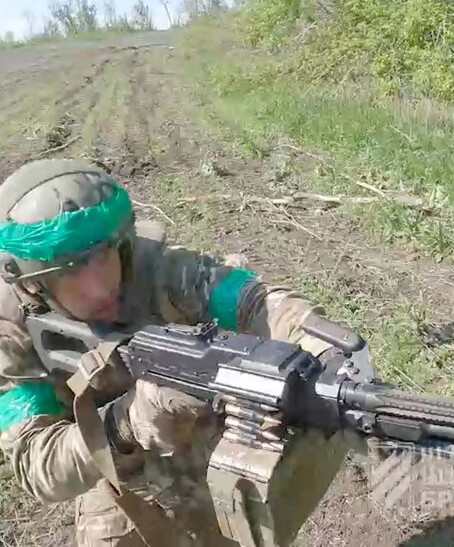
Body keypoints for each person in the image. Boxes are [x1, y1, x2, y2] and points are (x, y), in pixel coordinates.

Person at [0, 159, 358, 546]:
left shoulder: (162, 270)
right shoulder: (12, 333)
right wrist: (126, 422)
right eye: (69, 271)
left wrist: (319, 342)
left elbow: (254, 301)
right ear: (34, 284)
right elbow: (37, 466)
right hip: (111, 466)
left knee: (252, 517)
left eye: (102, 255)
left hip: (201, 439)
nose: (99, 287)